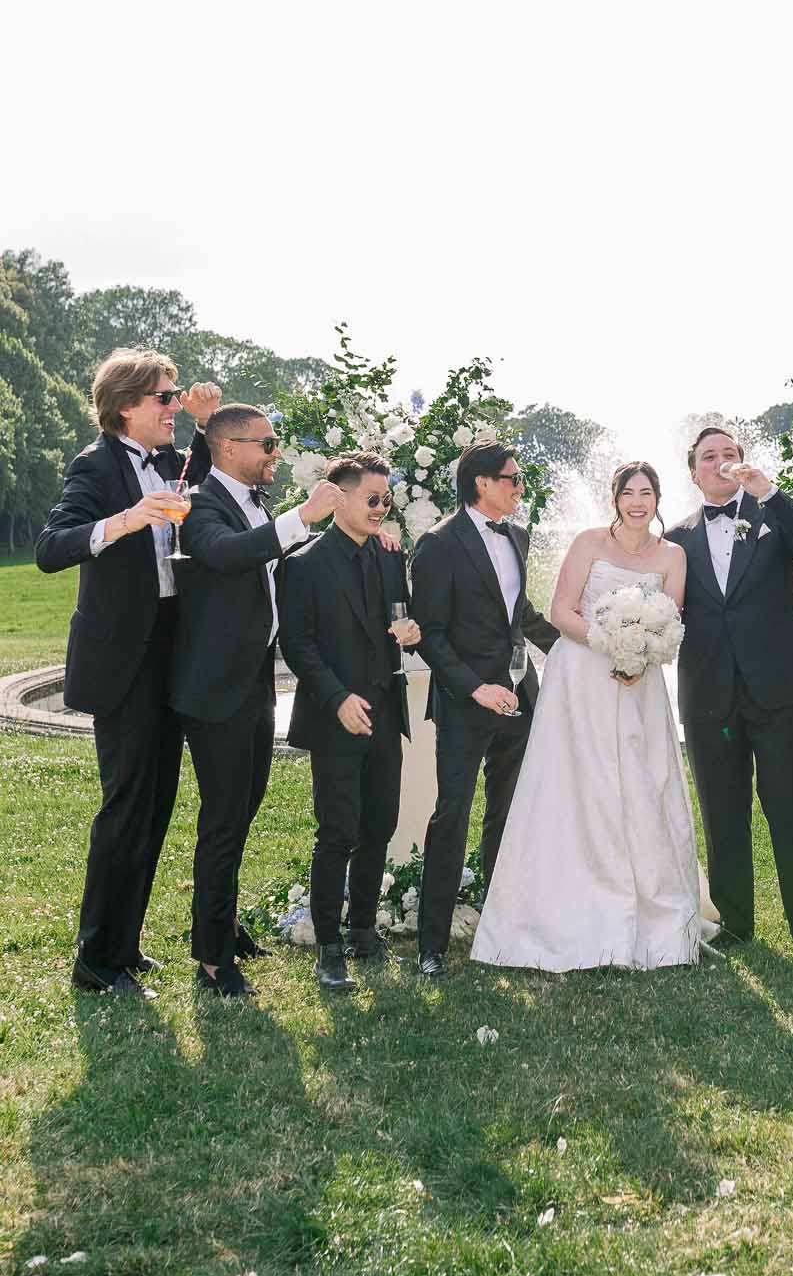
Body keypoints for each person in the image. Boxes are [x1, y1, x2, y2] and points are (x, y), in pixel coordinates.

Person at [35, 351, 220, 997]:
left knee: (157, 803)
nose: (172, 407)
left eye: (173, 397)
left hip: (171, 646)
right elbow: (51, 547)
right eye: (163, 399)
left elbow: (197, 477)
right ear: (124, 408)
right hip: (123, 661)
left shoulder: (167, 460)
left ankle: (125, 945)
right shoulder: (95, 466)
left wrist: (201, 423)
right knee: (126, 805)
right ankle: (94, 959)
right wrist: (125, 521)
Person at [471, 461, 703, 971]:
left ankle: (650, 913)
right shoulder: (588, 543)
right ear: (615, 497)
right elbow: (561, 610)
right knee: (581, 784)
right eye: (628, 492)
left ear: (658, 498)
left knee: (642, 783)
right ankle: (568, 911)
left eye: (646, 493)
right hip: (581, 677)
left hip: (639, 683)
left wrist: (639, 657)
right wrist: (610, 645)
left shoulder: (674, 555)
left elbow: (673, 617)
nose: (637, 501)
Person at [172, 405, 342, 996]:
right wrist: (304, 515)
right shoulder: (199, 503)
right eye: (266, 443)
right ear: (227, 447)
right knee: (222, 822)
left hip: (253, 684)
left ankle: (223, 924)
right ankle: (213, 959)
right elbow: (225, 554)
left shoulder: (254, 502)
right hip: (214, 689)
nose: (275, 452)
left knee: (242, 813)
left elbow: (268, 563)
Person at [666, 425, 793, 955]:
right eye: (708, 457)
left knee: (792, 804)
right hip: (708, 694)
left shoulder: (771, 513)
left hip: (779, 690)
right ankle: (737, 923)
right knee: (722, 811)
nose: (720, 462)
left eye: (730, 454)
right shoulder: (674, 539)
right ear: (694, 474)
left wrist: (771, 492)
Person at [409, 442, 559, 976]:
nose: (520, 487)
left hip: (521, 698)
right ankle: (431, 946)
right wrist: (476, 689)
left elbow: (520, 613)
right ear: (481, 484)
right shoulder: (437, 544)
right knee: (452, 817)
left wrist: (576, 648)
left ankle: (502, 930)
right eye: (512, 479)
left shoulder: (517, 535)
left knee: (509, 816)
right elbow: (431, 634)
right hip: (464, 704)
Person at [279, 454, 423, 993]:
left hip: (386, 711)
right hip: (336, 715)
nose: (382, 508)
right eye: (373, 498)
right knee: (336, 831)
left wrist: (412, 632)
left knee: (379, 824)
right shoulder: (305, 562)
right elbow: (298, 644)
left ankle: (363, 929)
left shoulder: (390, 556)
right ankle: (329, 947)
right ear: (339, 499)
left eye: (387, 499)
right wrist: (338, 698)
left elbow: (401, 617)